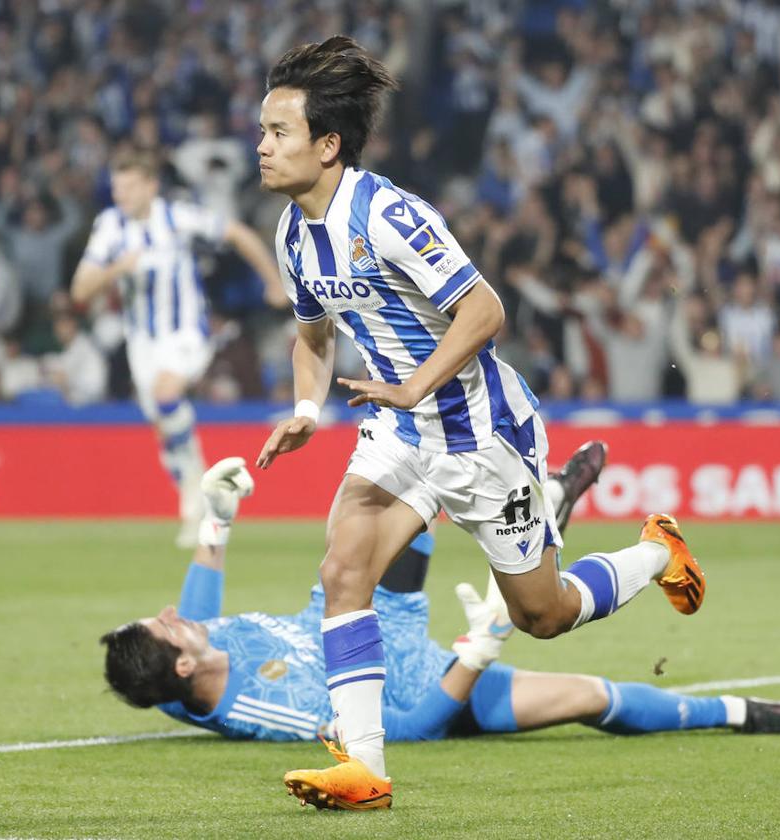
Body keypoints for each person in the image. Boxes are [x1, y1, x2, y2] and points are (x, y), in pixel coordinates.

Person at [252, 37, 707, 809]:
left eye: (278, 133)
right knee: (343, 570)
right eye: (262, 131)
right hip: (399, 431)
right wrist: (305, 408)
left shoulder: (388, 215)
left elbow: (484, 309)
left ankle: (655, 553)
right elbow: (314, 336)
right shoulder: (293, 235)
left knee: (544, 615)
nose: (261, 147)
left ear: (328, 145)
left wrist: (412, 388)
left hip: (477, 432)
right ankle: (365, 768)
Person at [101, 458, 780, 812]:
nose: (173, 611)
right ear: (187, 663)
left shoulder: (182, 671)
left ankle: (538, 516)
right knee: (592, 696)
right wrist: (478, 652)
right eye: (165, 627)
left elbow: (183, 633)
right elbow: (411, 729)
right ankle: (743, 711)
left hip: (361, 603)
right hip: (424, 685)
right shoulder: (272, 711)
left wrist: (216, 520)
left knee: (414, 477)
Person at [71, 149, 286, 548]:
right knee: (164, 428)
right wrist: (118, 268)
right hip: (141, 343)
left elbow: (237, 233)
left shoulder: (178, 217)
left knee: (166, 394)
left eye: (130, 187)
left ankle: (196, 492)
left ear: (151, 186)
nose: (121, 195)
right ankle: (197, 499)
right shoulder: (109, 227)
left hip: (186, 333)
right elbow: (80, 290)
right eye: (117, 188)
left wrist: (273, 282)